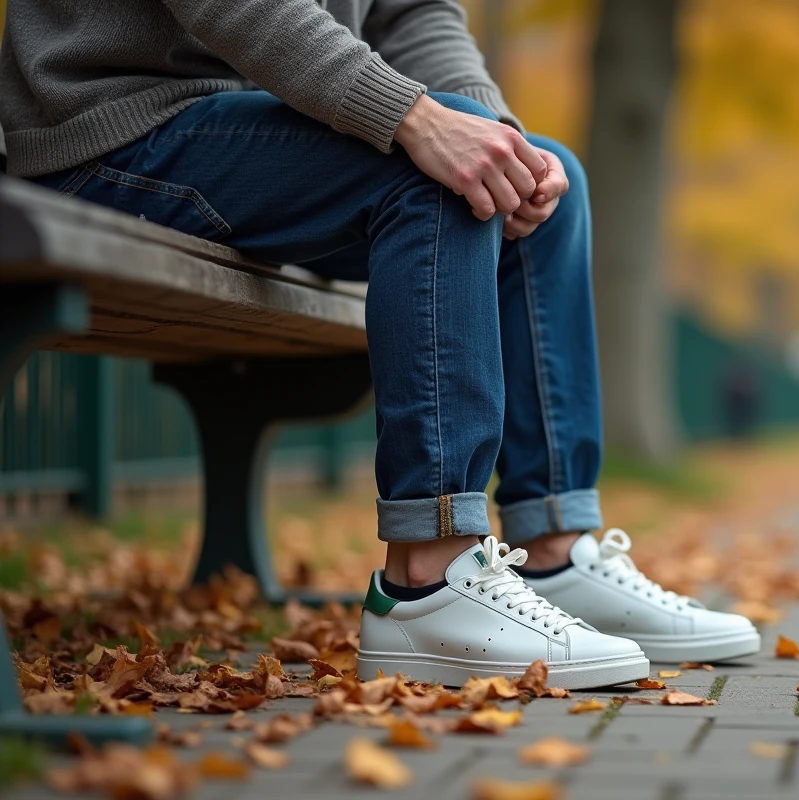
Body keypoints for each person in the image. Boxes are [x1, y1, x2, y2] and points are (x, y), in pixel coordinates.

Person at [0, 0, 759, 689]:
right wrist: (416, 118)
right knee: (435, 178)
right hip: (113, 127)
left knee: (543, 191)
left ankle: (554, 553)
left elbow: (414, 12)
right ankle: (428, 579)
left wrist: (499, 140)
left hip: (271, 126)